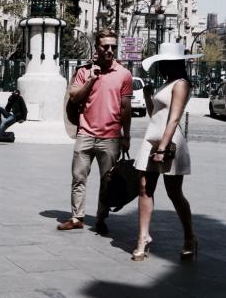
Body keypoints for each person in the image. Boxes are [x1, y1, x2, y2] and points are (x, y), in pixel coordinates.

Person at [57, 28, 133, 235]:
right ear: (97, 48)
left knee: (106, 182)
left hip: (111, 138)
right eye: (105, 46)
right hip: (85, 134)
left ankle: (101, 218)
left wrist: (126, 136)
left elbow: (126, 108)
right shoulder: (84, 71)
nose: (110, 50)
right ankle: (77, 217)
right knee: (78, 177)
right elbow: (74, 98)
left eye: (113, 47)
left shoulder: (124, 74)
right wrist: (91, 79)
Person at [131, 43, 201, 261]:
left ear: (174, 63)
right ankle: (143, 239)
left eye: (164, 62)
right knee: (144, 188)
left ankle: (190, 237)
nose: (161, 66)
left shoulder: (181, 84)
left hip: (169, 143)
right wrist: (149, 96)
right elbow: (155, 116)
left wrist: (162, 147)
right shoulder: (166, 84)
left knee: (174, 193)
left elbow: (174, 118)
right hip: (152, 139)